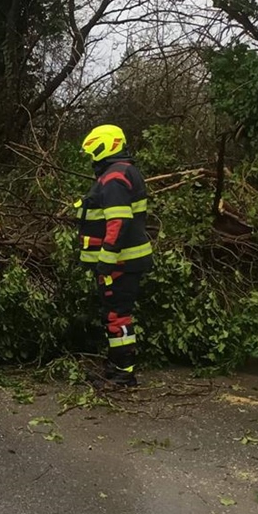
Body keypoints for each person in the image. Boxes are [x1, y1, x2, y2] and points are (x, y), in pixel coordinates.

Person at [78, 125, 154, 388]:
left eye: (93, 151)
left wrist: (106, 260)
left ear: (105, 146)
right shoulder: (121, 172)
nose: (92, 158)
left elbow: (118, 221)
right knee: (113, 313)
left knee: (117, 316)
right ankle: (115, 366)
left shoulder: (114, 177)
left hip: (120, 262)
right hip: (123, 261)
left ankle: (123, 373)